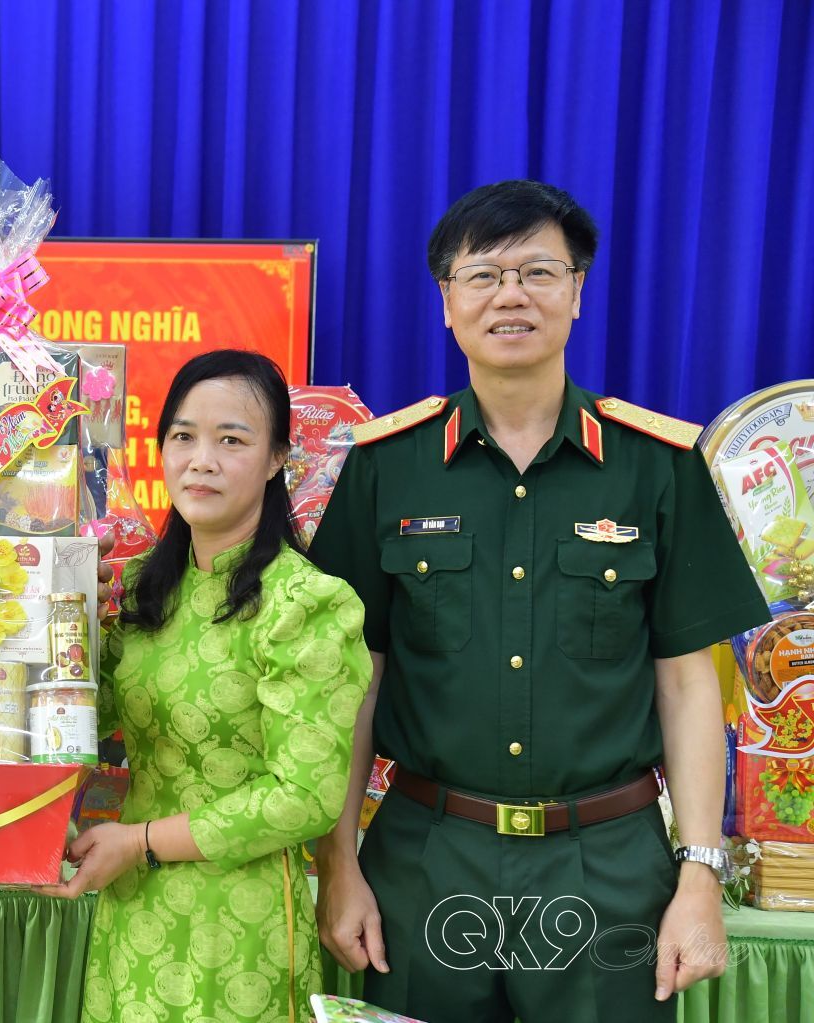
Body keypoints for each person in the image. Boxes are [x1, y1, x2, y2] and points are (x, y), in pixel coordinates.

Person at [310, 180, 769, 1022]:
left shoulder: (658, 466)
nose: (511, 294)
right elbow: (352, 684)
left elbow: (687, 684)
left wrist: (700, 873)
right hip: (426, 858)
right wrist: (339, 861)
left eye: (538, 271)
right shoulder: (385, 467)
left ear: (577, 291)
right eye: (483, 275)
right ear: (446, 301)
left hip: (609, 865)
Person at [39, 349, 372, 1023]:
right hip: (133, 912)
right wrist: (59, 620)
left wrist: (140, 841)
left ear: (277, 459)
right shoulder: (144, 589)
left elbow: (305, 797)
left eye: (232, 440)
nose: (202, 460)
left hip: (241, 923)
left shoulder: (306, 603)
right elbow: (81, 726)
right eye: (184, 436)